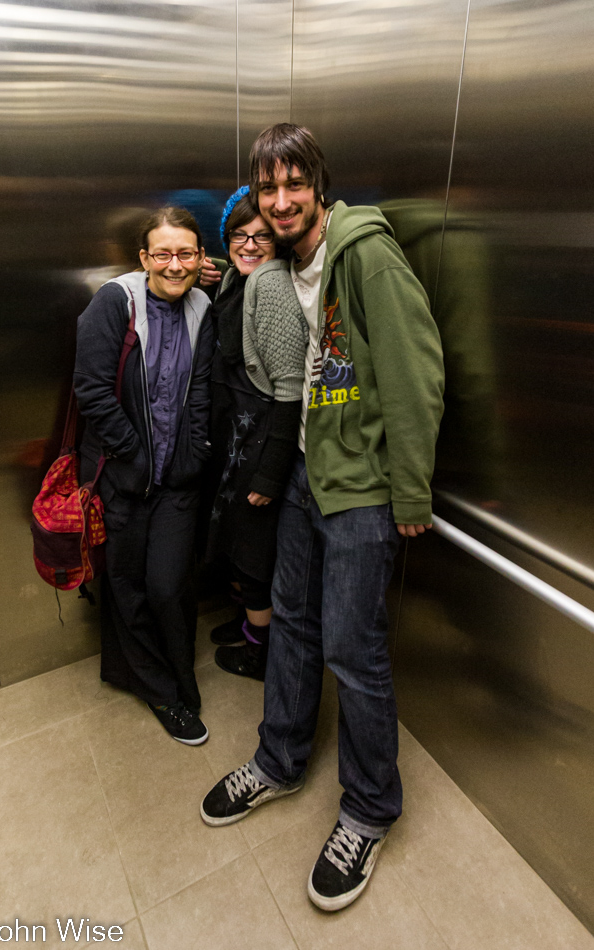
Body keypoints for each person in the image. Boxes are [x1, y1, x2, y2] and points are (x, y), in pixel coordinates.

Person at [200, 124, 445, 910]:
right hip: (309, 473)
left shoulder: (363, 253)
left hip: (364, 490)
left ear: (318, 185)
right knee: (295, 628)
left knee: (353, 648)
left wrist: (408, 491)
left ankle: (369, 809)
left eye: (291, 184)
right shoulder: (289, 261)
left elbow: (414, 374)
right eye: (266, 188)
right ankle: (279, 760)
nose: (278, 201)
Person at [74, 206, 214, 745]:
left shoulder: (204, 307)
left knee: (168, 584)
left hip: (178, 480)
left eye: (186, 253)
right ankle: (160, 689)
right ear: (143, 257)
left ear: (201, 258)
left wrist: (191, 457)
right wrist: (135, 454)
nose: (174, 265)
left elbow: (199, 393)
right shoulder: (116, 303)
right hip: (122, 476)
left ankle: (180, 672)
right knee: (128, 586)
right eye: (163, 253)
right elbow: (92, 392)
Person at [205, 186, 307, 680]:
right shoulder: (238, 279)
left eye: (260, 237)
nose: (247, 245)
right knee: (241, 548)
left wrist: (269, 475)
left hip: (263, 442)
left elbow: (290, 392)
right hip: (238, 440)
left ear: (280, 241)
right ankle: (249, 627)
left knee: (254, 557)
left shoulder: (271, 284)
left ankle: (260, 653)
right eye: (237, 236)